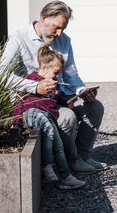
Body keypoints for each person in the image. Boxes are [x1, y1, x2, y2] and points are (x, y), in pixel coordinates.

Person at [0, 1, 105, 174]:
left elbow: (71, 74)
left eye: (63, 29)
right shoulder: (19, 38)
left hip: (59, 96)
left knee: (95, 107)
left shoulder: (63, 40)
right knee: (67, 117)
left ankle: (83, 156)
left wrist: (82, 91)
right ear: (44, 19)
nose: (60, 33)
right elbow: (0, 76)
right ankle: (71, 161)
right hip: (32, 101)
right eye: (57, 28)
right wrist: (35, 86)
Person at [11, 45, 85, 189]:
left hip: (47, 115)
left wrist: (66, 103)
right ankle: (48, 167)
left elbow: (56, 98)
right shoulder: (31, 79)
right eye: (56, 72)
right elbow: (18, 101)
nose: (57, 76)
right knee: (47, 126)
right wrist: (16, 122)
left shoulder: (54, 84)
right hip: (31, 111)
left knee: (58, 144)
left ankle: (65, 177)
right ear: (44, 67)